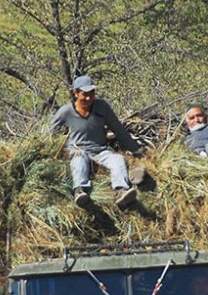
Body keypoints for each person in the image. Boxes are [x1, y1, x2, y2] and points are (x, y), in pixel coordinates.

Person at [51, 75, 143, 208]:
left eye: (91, 93)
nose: (88, 98)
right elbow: (50, 133)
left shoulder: (102, 107)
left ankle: (121, 191)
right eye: (85, 94)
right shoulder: (65, 111)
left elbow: (118, 129)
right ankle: (80, 191)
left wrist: (136, 150)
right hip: (77, 149)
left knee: (117, 160)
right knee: (78, 161)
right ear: (75, 93)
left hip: (99, 150)